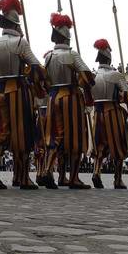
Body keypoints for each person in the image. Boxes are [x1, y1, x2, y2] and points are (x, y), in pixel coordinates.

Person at [0, 0, 45, 190]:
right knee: (22, 134)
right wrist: (40, 85)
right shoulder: (21, 42)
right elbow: (36, 67)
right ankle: (21, 177)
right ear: (16, 24)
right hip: (18, 91)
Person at [41, 13, 93, 189]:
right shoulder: (72, 55)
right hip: (70, 97)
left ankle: (49, 170)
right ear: (67, 37)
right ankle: (74, 178)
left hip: (53, 97)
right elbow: (88, 77)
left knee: (55, 135)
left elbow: (45, 80)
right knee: (75, 138)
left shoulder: (48, 56)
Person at [90, 38, 128, 190]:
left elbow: (88, 96)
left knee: (99, 145)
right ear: (109, 58)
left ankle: (96, 172)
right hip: (112, 111)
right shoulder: (115, 75)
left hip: (97, 112)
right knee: (118, 145)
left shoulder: (93, 75)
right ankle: (118, 179)